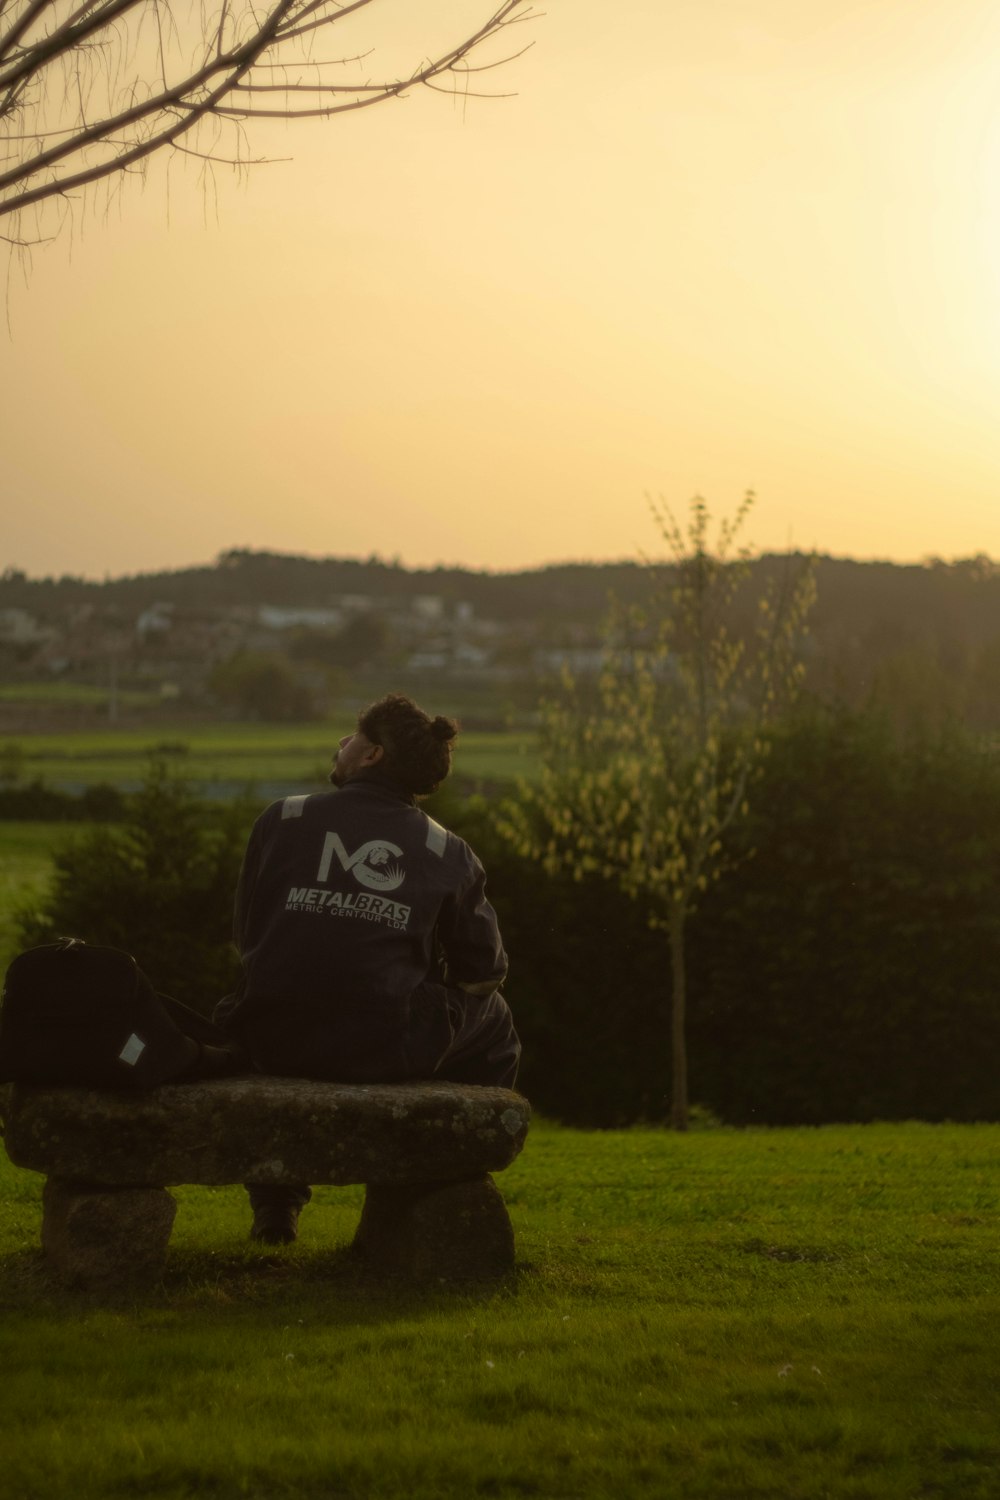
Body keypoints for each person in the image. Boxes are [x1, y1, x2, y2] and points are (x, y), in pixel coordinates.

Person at [216, 693, 520, 1244]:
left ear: (372, 755)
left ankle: (276, 1205)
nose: (341, 742)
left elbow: (248, 936)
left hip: (267, 1035)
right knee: (494, 1017)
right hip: (380, 1045)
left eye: (352, 736)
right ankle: (432, 1186)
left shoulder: (282, 818)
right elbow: (483, 973)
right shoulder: (447, 850)